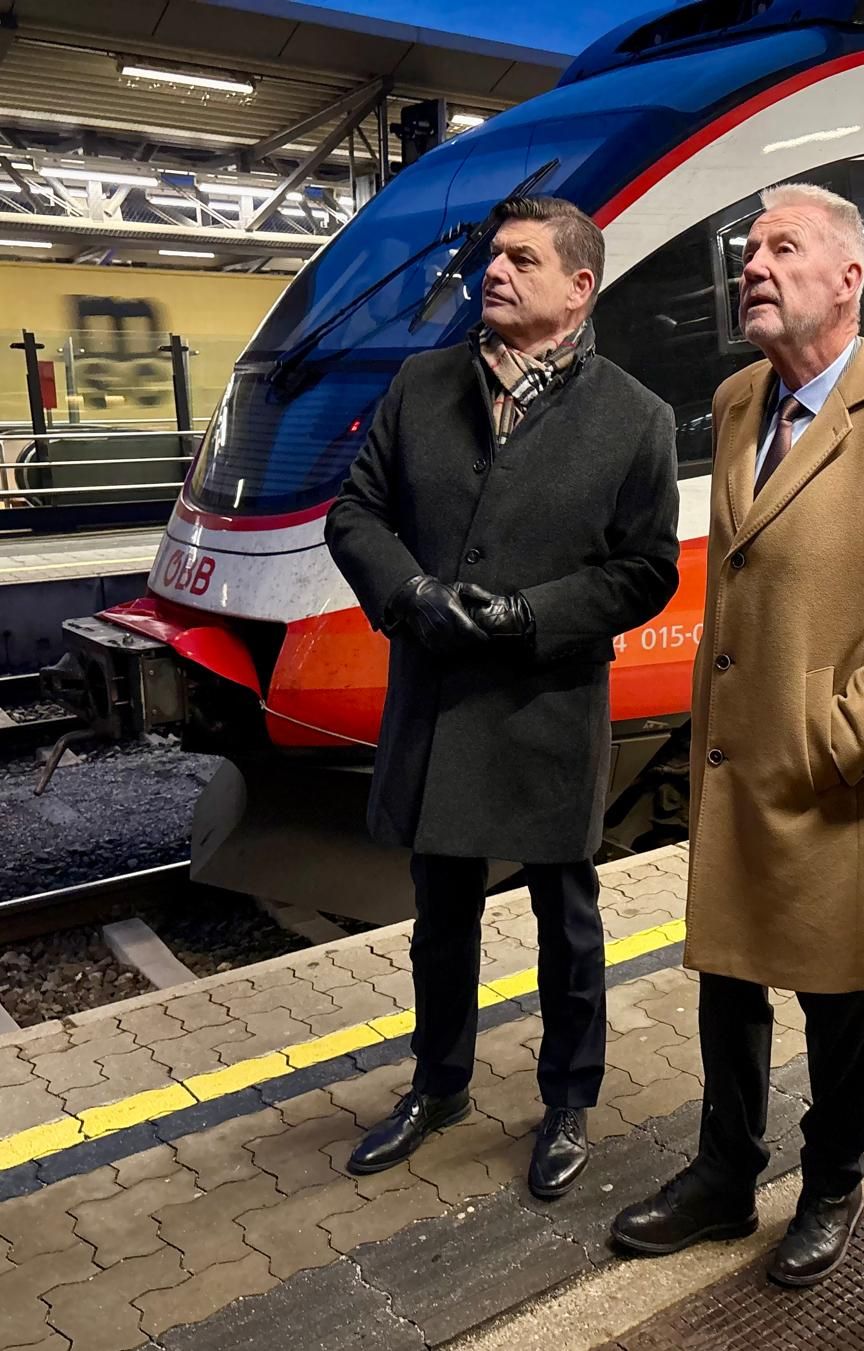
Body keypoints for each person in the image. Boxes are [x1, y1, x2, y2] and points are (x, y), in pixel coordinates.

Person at [609, 183, 864, 1286]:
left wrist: (840, 733)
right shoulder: (738, 400)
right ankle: (725, 1175)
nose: (752, 266)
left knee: (830, 988)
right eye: (750, 248)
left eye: (783, 247)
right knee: (727, 974)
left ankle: (834, 1176)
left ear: (849, 277)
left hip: (826, 767)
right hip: (734, 746)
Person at [325, 196, 679, 1199]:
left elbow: (645, 571)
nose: (495, 270)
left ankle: (567, 1098)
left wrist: (530, 614)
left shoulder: (635, 417)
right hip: (439, 695)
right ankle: (437, 1086)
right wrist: (410, 593)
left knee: (567, 918)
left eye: (523, 259)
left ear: (578, 287)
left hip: (547, 702)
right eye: (494, 255)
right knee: (440, 915)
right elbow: (355, 511)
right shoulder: (423, 384)